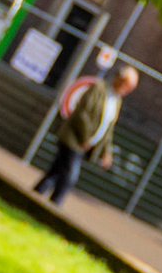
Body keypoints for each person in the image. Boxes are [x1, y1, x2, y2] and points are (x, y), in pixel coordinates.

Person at [33, 65, 137, 207]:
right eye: (127, 85)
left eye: (131, 88)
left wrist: (106, 152)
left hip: (85, 145)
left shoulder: (117, 101)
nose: (128, 90)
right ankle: (54, 206)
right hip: (73, 139)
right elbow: (82, 113)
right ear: (118, 79)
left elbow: (108, 128)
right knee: (70, 175)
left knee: (56, 171)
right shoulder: (98, 89)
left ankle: (35, 195)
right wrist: (85, 138)